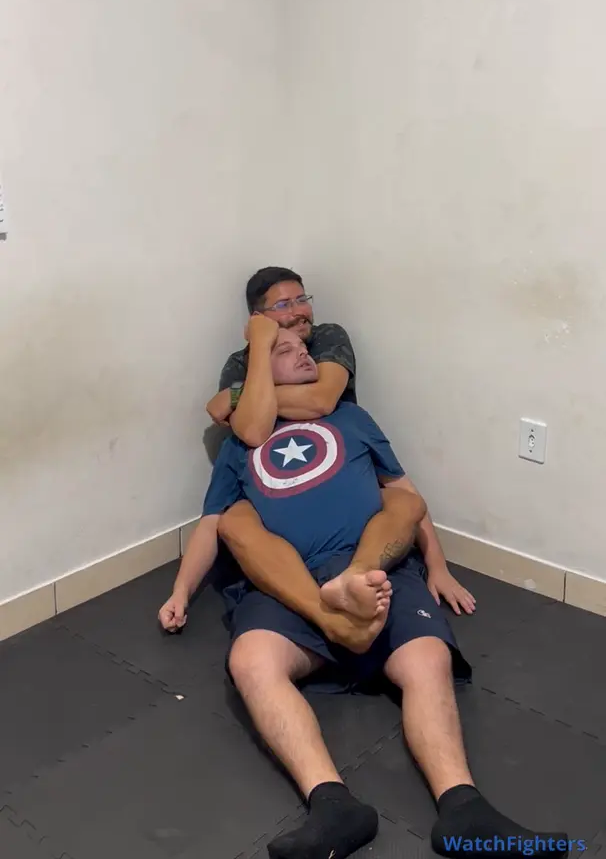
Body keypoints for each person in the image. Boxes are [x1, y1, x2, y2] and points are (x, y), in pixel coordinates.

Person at [160, 329, 566, 859]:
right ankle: (333, 805)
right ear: (258, 374)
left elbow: (405, 495)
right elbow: (213, 523)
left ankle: (463, 808)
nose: (303, 352)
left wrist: (437, 567)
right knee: (250, 652)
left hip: (371, 569)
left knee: (426, 648)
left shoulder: (351, 418)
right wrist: (181, 591)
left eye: (303, 347)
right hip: (291, 584)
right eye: (284, 350)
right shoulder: (242, 445)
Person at [206, 266, 475, 618]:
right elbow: (253, 432)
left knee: (402, 502)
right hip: (281, 494)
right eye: (283, 305)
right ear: (258, 319)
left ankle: (355, 581)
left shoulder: (326, 337)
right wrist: (259, 352)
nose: (299, 311)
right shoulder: (241, 361)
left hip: (347, 470)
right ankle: (326, 614)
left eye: (302, 299)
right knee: (236, 523)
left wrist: (244, 395)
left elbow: (321, 400)